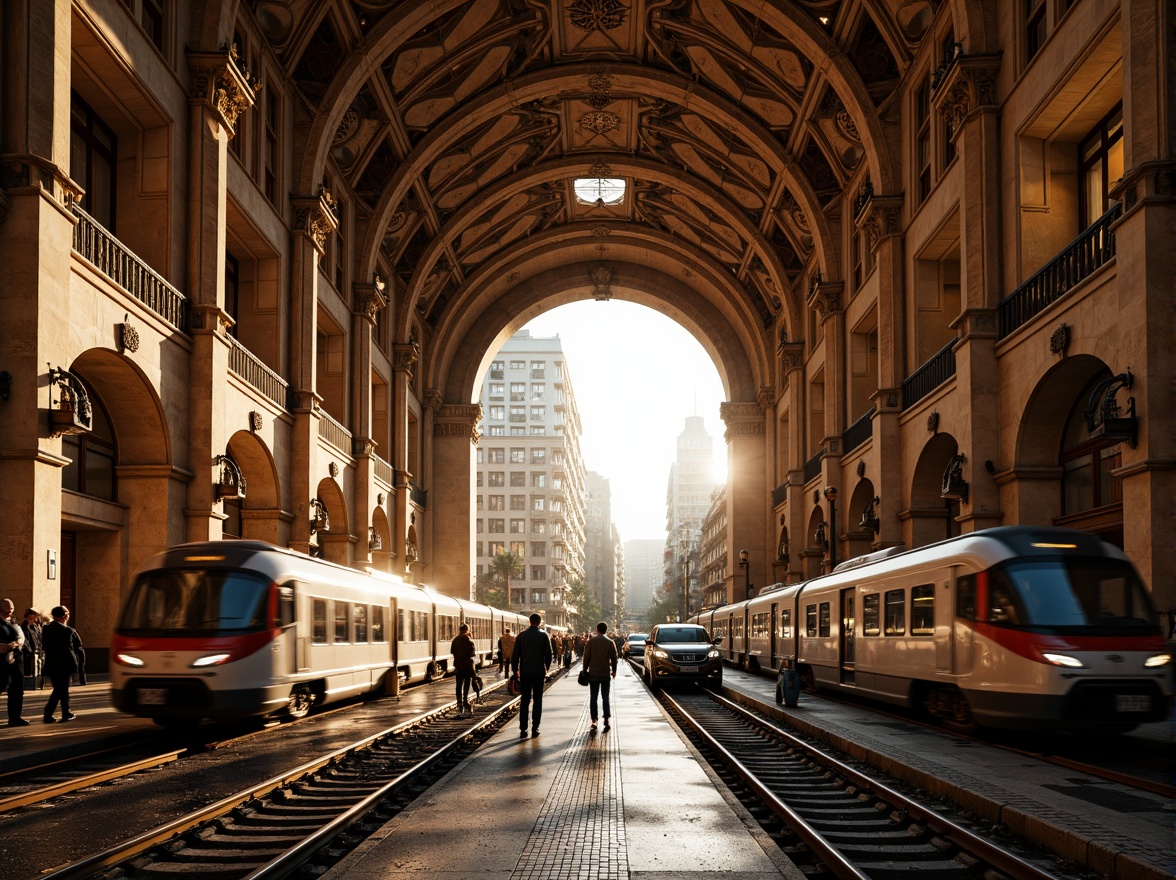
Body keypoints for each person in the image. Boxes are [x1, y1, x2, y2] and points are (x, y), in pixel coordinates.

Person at [510, 612, 552, 738]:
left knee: (525, 700)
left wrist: (515, 671)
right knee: (538, 700)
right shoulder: (544, 635)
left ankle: (523, 729)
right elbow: (548, 655)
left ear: (530, 621)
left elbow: (515, 656)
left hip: (525, 672)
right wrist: (547, 668)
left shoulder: (521, 636)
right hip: (539, 672)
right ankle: (535, 728)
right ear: (540, 622)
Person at [41, 606, 84, 723]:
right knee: (61, 689)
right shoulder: (68, 631)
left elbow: (44, 646)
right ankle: (53, 713)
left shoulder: (46, 629)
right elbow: (75, 648)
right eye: (67, 614)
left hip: (52, 664)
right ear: (64, 616)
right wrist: (77, 666)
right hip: (65, 665)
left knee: (61, 689)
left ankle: (64, 711)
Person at [582, 621, 618, 732]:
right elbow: (614, 658)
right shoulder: (610, 642)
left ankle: (594, 721)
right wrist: (614, 671)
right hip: (605, 674)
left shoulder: (591, 642)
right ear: (606, 630)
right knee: (605, 697)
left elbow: (586, 657)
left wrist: (585, 670)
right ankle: (606, 719)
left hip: (593, 675)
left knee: (593, 697)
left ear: (597, 630)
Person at [0, 598, 28, 726]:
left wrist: (17, 643)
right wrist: (6, 646)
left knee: (17, 689)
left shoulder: (13, 622)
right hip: (2, 662)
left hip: (16, 661)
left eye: (12, 609)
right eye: (7, 609)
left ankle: (15, 717)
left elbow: (21, 637)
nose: (10, 611)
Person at [450, 623, 476, 717]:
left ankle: (459, 703)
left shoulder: (455, 640)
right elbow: (472, 654)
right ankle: (465, 701)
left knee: (458, 685)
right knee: (466, 684)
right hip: (467, 666)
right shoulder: (469, 640)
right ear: (467, 630)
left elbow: (452, 651)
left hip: (458, 666)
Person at [21, 608, 44, 690]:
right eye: (31, 617)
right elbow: (25, 640)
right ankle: (29, 684)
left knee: (38, 668)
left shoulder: (36, 627)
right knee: (30, 669)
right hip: (29, 653)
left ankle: (38, 683)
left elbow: (39, 638)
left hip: (38, 650)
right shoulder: (24, 627)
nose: (34, 618)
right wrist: (29, 650)